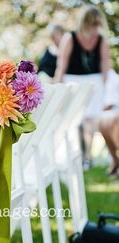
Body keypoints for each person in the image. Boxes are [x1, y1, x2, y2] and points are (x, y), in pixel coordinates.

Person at [53, 5, 110, 169]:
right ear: (84, 23)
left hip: (95, 83)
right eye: (92, 24)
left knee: (90, 121)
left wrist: (105, 90)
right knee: (76, 121)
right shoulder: (70, 38)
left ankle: (87, 156)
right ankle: (78, 154)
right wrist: (58, 90)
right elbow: (61, 66)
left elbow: (105, 64)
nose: (94, 28)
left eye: (97, 24)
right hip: (73, 82)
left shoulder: (101, 39)